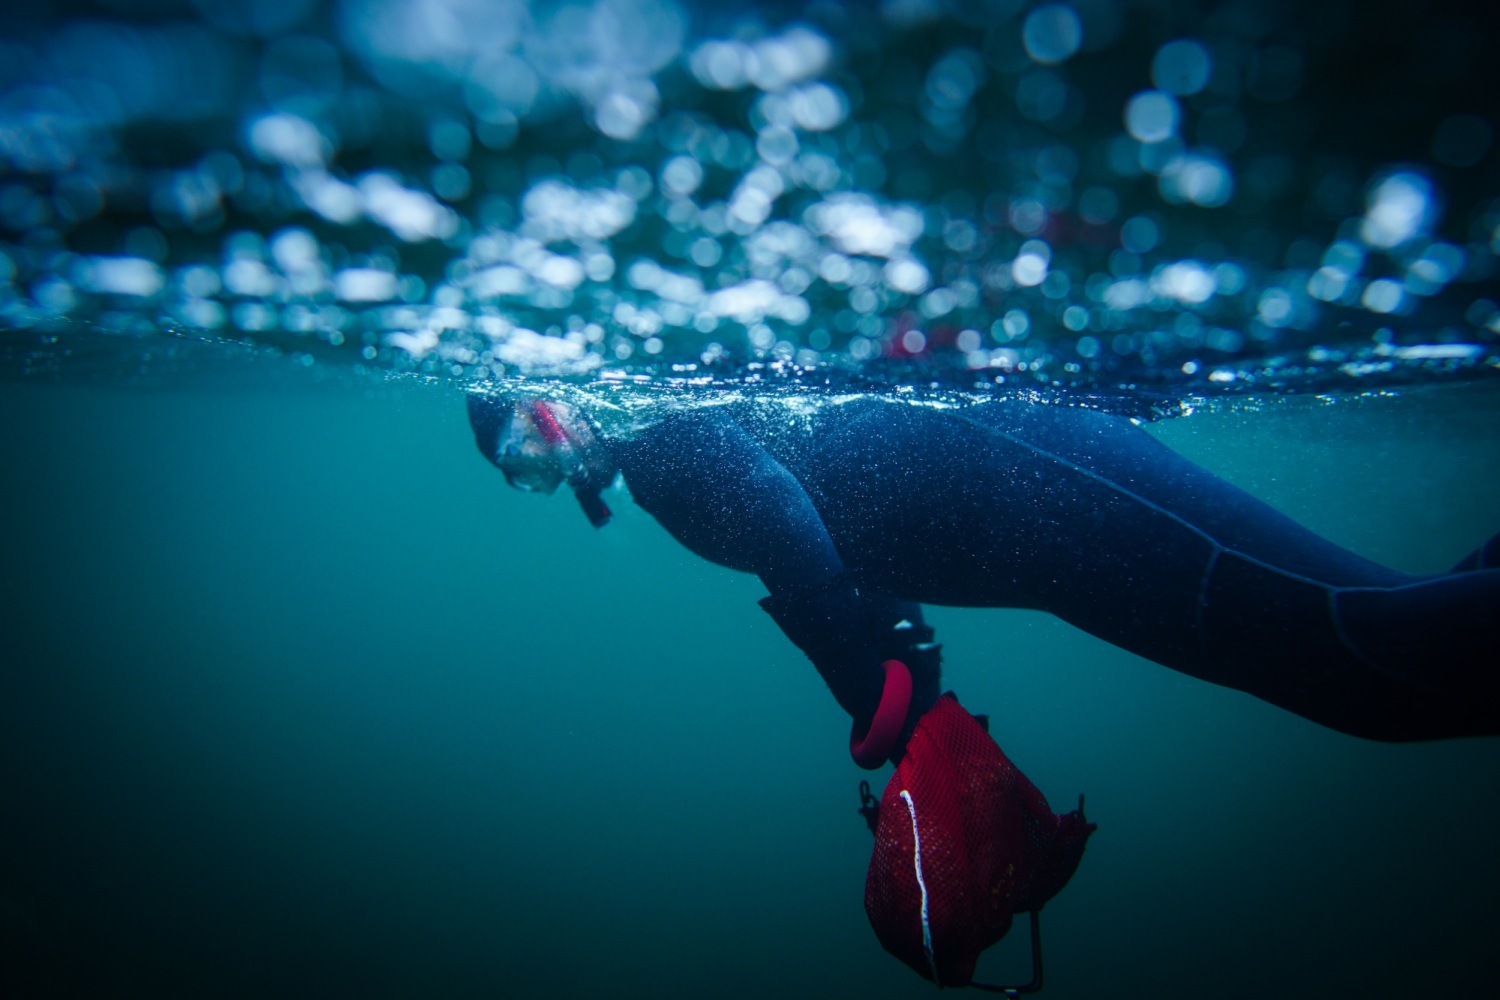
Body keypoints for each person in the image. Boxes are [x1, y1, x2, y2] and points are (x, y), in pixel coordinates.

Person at [466, 387, 1500, 767]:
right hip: (1045, 533)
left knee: (1372, 652)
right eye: (518, 476)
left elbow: (785, 516)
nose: (540, 478)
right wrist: (897, 644)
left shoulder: (661, 445)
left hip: (1043, 484)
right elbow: (826, 505)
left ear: (549, 409)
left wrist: (858, 683)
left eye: (523, 451)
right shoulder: (658, 465)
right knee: (1378, 666)